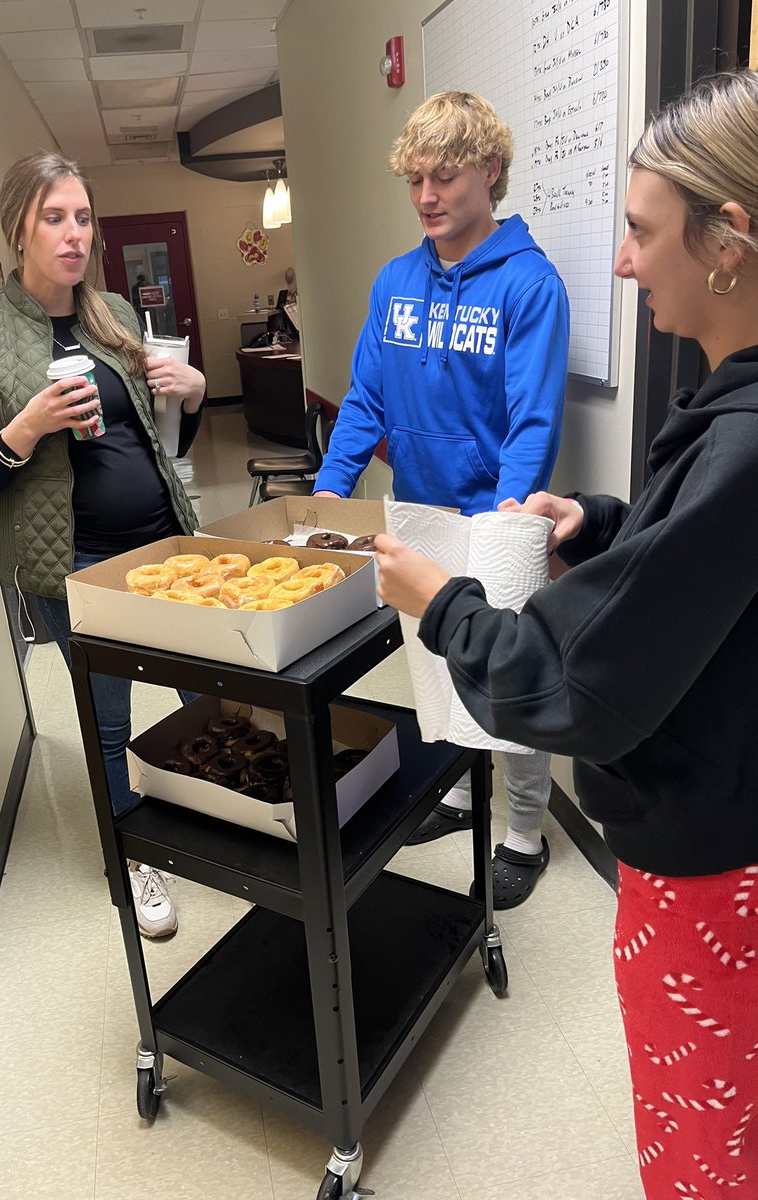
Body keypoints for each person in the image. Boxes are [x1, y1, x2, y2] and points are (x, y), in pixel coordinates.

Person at [375, 69, 758, 1200]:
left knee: (705, 1150)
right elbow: (702, 555)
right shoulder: (728, 424)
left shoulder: (742, 445)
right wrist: (602, 522)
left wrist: (443, 607)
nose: (626, 263)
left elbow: (568, 684)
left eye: (641, 234)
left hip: (712, 864)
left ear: (727, 238)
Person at [0, 150, 208, 938]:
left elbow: (161, 438)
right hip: (77, 570)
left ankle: (229, 829)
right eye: (54, 217)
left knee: (211, 697)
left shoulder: (114, 314)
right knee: (109, 722)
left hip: (168, 551)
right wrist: (26, 427)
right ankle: (135, 859)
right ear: (18, 225)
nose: (73, 234)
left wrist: (190, 399)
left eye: (83, 217)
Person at [313, 92, 570, 907]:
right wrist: (330, 492)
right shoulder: (396, 282)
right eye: (416, 179)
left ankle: (524, 828)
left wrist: (503, 533)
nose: (427, 196)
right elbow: (364, 401)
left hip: (497, 518)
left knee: (510, 681)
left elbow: (533, 422)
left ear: (491, 172)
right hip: (417, 512)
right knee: (438, 669)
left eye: (446, 176)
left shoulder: (530, 287)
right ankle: (461, 793)